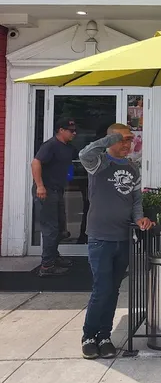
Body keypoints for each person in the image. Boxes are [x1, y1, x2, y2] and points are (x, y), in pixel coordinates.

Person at [79, 123, 153, 360]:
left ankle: (104, 335)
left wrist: (140, 219)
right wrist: (110, 139)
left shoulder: (133, 168)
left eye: (130, 140)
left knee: (113, 290)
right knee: (102, 289)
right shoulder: (99, 163)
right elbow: (83, 154)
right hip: (100, 238)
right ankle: (89, 335)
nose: (127, 144)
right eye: (122, 140)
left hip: (123, 238)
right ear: (111, 140)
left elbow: (135, 201)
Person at [31, 118, 77, 277]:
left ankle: (53, 257)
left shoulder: (68, 148)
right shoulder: (50, 145)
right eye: (71, 131)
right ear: (61, 130)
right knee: (50, 229)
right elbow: (36, 163)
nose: (74, 133)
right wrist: (40, 186)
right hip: (46, 190)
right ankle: (47, 265)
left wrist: (68, 182)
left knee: (59, 227)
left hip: (58, 190)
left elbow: (68, 167)